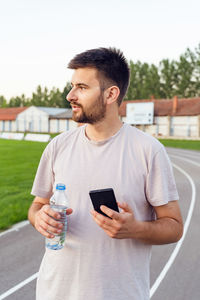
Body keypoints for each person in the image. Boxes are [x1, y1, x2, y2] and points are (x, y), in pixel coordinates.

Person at [28, 47, 183, 300]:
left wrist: (135, 229)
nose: (70, 95)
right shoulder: (58, 146)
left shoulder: (148, 150)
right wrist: (40, 218)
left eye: (82, 87)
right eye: (72, 86)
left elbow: (174, 227)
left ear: (111, 94)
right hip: (54, 292)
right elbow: (37, 206)